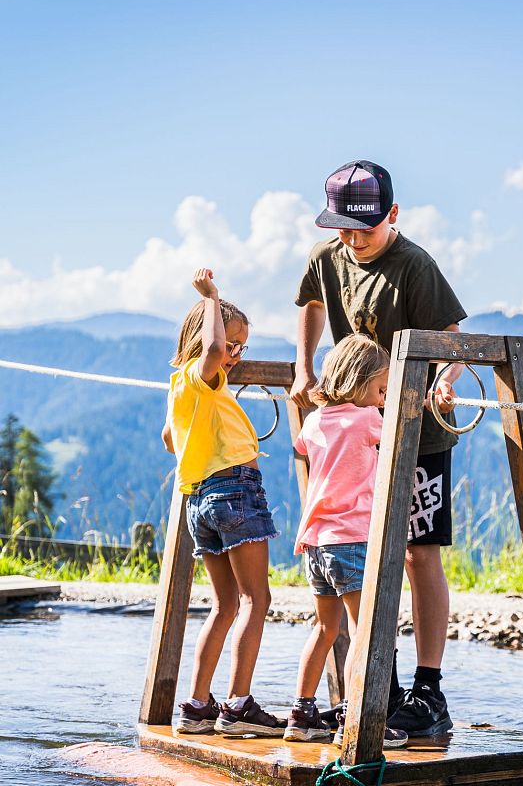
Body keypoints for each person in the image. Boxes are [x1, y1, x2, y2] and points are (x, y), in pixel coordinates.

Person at [291, 160, 466, 736]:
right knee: (363, 558)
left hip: (420, 436)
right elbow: (311, 303)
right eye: (343, 228)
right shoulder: (327, 257)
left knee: (418, 555)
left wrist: (443, 378)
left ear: (392, 215)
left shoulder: (414, 266)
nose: (353, 239)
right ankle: (378, 689)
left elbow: (454, 341)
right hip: (361, 433)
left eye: (364, 228)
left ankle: (428, 690)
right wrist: (304, 365)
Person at [163, 267, 284, 737]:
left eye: (240, 347)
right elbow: (210, 352)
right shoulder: (202, 373)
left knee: (226, 604)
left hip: (200, 500)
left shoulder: (180, 388)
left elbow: (170, 439)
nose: (233, 356)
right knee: (258, 598)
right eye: (230, 345)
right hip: (234, 490)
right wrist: (213, 297)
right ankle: (238, 706)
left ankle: (196, 706)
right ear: (204, 338)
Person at [283, 334, 407, 748]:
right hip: (351, 540)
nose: (382, 397)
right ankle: (356, 717)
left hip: (316, 543)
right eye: (380, 389)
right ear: (360, 381)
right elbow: (402, 424)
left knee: (324, 627)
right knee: (364, 631)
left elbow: (301, 446)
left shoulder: (316, 421)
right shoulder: (368, 418)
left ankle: (302, 713)